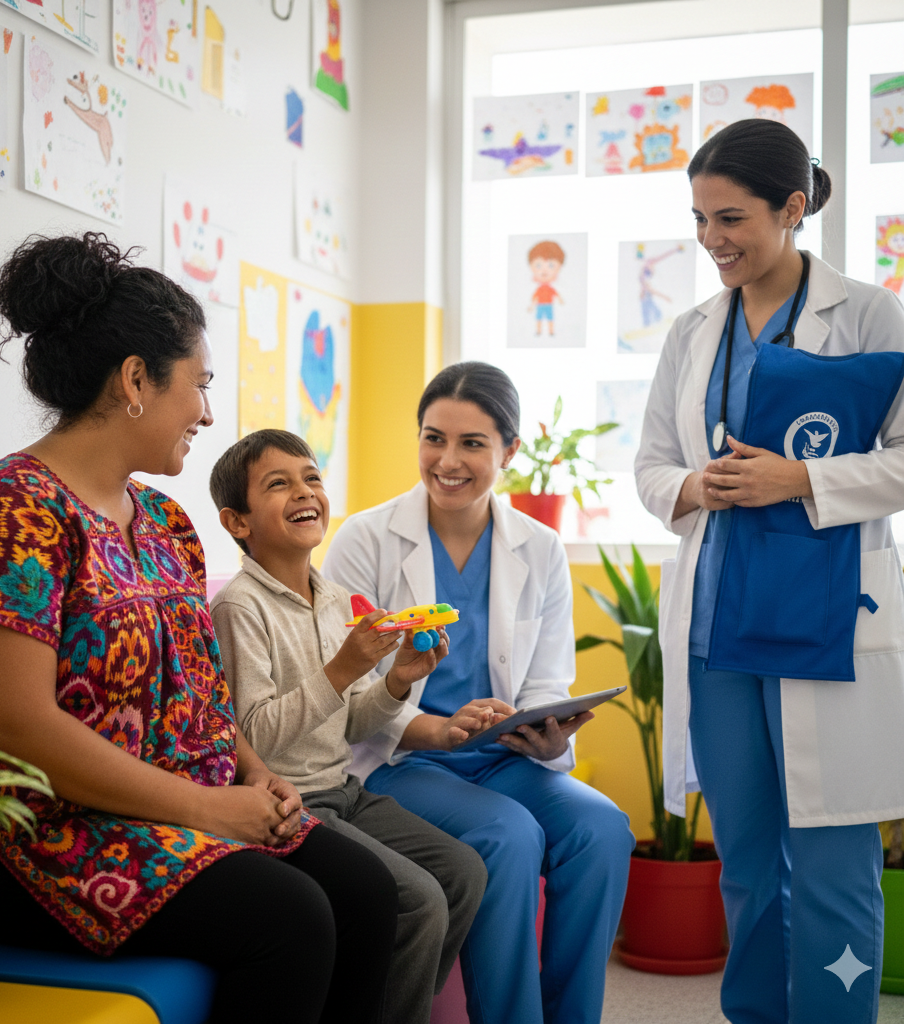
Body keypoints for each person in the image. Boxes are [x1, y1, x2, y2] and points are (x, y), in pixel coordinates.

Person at [0, 233, 399, 1024]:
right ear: (136, 380)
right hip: (48, 834)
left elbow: (200, 693)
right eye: (200, 386)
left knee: (367, 892)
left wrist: (252, 775)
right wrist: (205, 810)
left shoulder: (166, 521)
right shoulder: (8, 510)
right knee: (293, 917)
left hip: (178, 804)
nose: (208, 413)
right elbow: (15, 727)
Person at [635, 118, 904, 1024]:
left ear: (793, 209)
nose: (713, 240)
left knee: (831, 864)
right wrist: (695, 486)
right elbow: (650, 468)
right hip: (718, 630)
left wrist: (803, 479)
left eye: (732, 218)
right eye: (701, 218)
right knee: (747, 864)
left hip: (826, 621)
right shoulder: (691, 331)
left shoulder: (867, 313)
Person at [323, 361, 635, 1024]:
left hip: (502, 755)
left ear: (509, 451)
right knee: (508, 835)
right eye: (433, 438)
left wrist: (547, 730)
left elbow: (548, 677)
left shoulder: (541, 547)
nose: (448, 460)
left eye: (472, 444)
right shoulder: (364, 539)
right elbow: (348, 685)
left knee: (604, 828)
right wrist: (431, 728)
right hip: (400, 759)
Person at [207, 428, 488, 1024]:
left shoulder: (336, 599)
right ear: (238, 522)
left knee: (463, 873)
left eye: (311, 477)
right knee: (418, 902)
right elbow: (251, 737)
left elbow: (354, 722)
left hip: (344, 791)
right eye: (278, 484)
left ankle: (384, 1003)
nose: (304, 491)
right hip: (290, 802)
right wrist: (341, 670)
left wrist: (394, 682)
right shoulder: (239, 607)